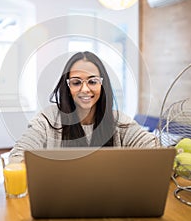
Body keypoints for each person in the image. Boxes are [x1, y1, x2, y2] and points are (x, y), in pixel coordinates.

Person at [9, 51, 159, 162]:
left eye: (92, 82)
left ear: (102, 85)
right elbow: (17, 157)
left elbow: (156, 151)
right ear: (67, 87)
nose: (85, 89)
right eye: (76, 82)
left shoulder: (118, 121)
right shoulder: (46, 120)